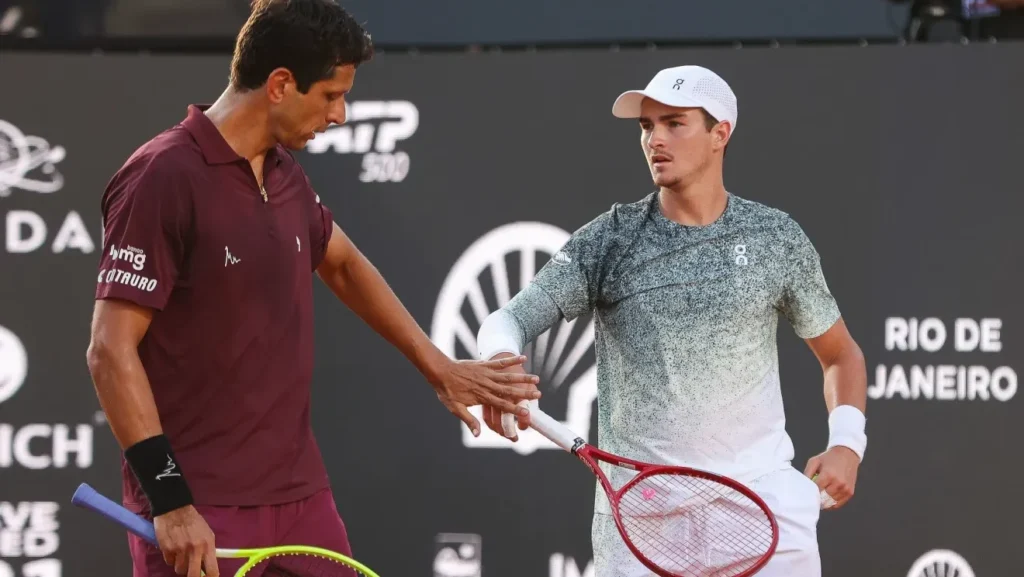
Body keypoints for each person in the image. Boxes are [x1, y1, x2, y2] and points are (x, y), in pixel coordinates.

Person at [85, 2, 540, 576]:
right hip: (200, 506)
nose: (341, 114)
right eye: (331, 95)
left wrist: (439, 367)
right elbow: (109, 350)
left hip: (301, 500)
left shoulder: (280, 171)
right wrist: (171, 502)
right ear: (280, 84)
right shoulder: (161, 175)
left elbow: (344, 265)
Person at [476, 65, 868, 576]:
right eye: (646, 126)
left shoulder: (777, 238)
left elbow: (840, 354)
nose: (654, 139)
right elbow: (508, 320)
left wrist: (847, 444)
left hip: (764, 507)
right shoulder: (609, 240)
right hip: (643, 522)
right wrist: (500, 362)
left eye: (674, 123)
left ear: (719, 134)